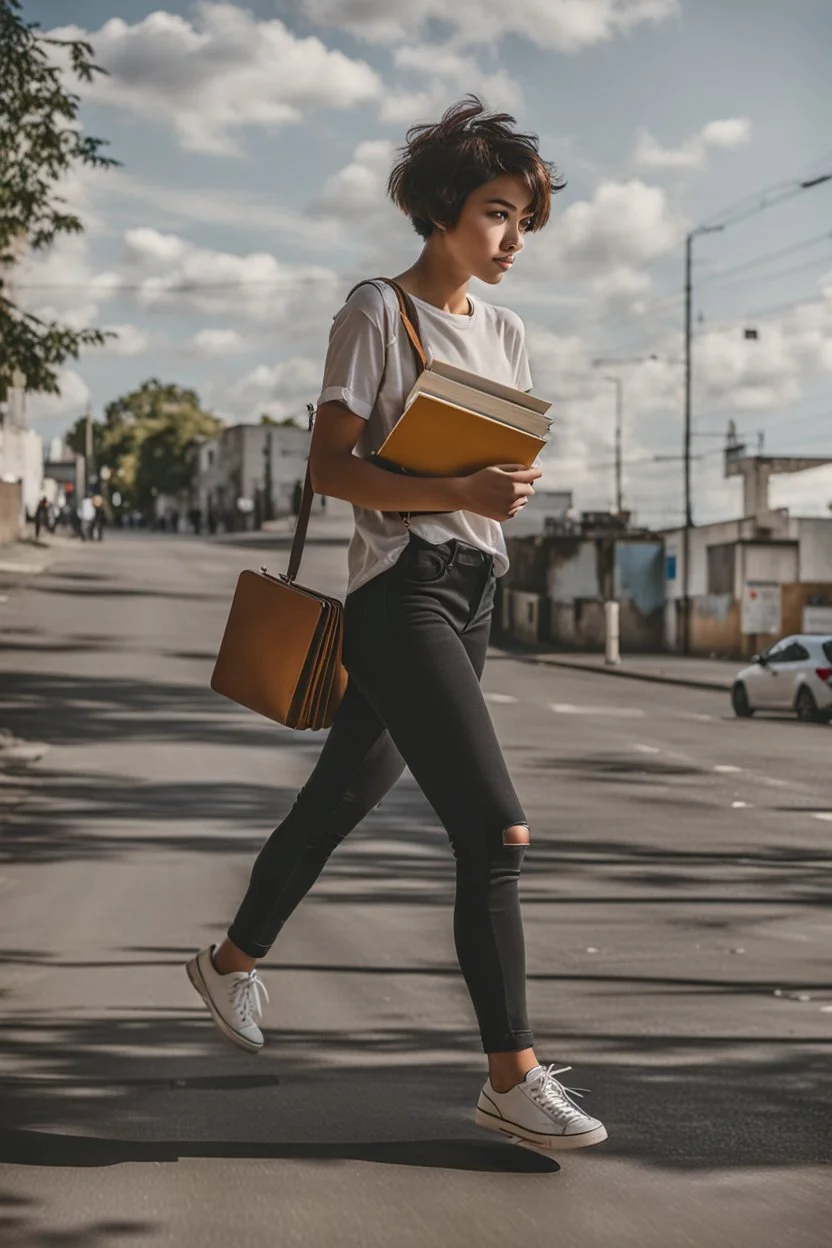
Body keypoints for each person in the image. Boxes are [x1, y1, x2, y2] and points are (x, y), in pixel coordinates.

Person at [187, 97, 607, 1155]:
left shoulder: (505, 330)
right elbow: (332, 468)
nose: (512, 241)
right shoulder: (376, 311)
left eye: (523, 221)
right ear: (440, 209)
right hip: (400, 592)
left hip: (474, 595)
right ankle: (511, 1076)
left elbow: (484, 468)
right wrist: (458, 480)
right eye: (497, 215)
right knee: (494, 829)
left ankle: (228, 963)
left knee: (337, 799)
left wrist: (494, 485)